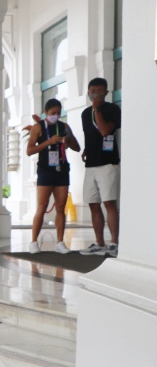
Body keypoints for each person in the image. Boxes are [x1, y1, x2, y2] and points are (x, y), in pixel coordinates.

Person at [25, 98, 80, 254]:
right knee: (41, 207)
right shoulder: (38, 127)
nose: (55, 115)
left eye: (58, 113)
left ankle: (60, 241)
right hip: (45, 170)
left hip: (61, 169)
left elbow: (77, 147)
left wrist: (67, 140)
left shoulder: (64, 127)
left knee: (60, 208)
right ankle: (34, 241)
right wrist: (48, 141)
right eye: (53, 113)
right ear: (46, 112)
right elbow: (29, 150)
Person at [78, 77, 121, 257]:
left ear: (106, 92)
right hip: (91, 164)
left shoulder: (113, 109)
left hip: (108, 163)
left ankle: (114, 243)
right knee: (93, 203)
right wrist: (87, 149)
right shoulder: (84, 113)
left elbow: (104, 130)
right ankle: (99, 243)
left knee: (109, 202)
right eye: (92, 91)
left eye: (99, 91)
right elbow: (91, 135)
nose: (95, 95)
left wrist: (97, 109)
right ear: (88, 92)